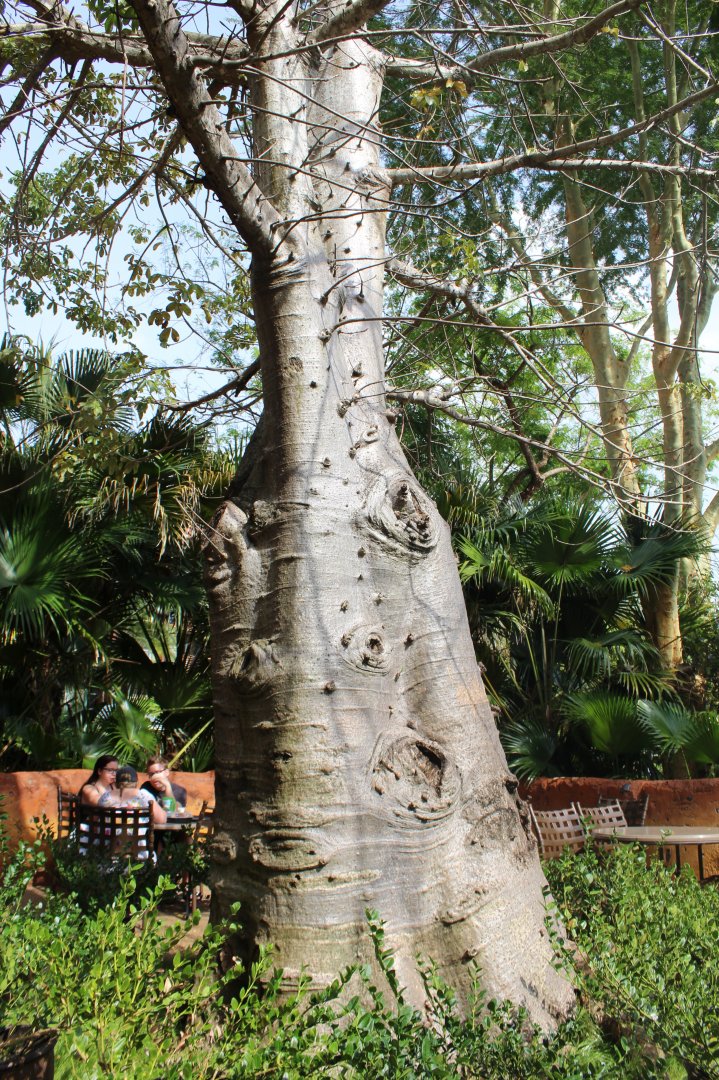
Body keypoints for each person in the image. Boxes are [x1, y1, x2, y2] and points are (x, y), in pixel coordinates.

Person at [99, 764, 167, 825]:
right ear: (137, 782)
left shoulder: (105, 797)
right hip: (135, 835)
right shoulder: (143, 795)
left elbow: (96, 821)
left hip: (106, 835)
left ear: (116, 783)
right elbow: (161, 820)